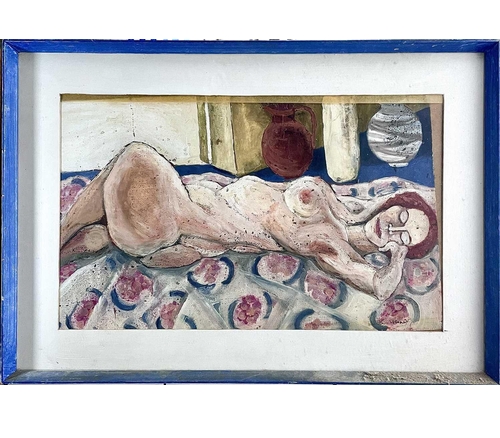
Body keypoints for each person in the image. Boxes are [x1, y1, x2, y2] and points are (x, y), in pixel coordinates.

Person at [61, 142, 438, 301]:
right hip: (182, 205)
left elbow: (379, 285)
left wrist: (397, 258)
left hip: (173, 218)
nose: (394, 228)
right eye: (402, 217)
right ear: (392, 205)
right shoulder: (340, 207)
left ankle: (65, 236)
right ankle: (80, 241)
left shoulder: (332, 246)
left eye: (404, 237)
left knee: (136, 157)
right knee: (122, 190)